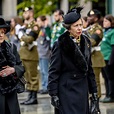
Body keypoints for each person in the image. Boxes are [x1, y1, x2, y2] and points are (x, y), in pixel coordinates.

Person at [48, 7, 99, 114]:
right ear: (68, 28)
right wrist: (53, 93)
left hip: (82, 89)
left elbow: (89, 69)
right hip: (66, 90)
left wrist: (94, 93)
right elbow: (53, 70)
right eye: (76, 26)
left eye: (81, 24)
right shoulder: (61, 43)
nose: (80, 28)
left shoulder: (86, 42)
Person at [0, 18, 25, 114]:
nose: (1, 35)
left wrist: (13, 69)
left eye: (2, 32)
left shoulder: (11, 47)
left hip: (11, 93)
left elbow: (21, 66)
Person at [19, 7, 40, 105]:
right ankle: (30, 97)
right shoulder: (26, 26)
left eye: (26, 12)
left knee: (32, 76)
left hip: (31, 55)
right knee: (27, 76)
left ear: (31, 13)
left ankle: (34, 97)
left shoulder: (34, 25)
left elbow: (30, 39)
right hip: (24, 54)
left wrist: (21, 36)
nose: (24, 14)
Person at [87, 9, 105, 98]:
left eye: (91, 16)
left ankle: (96, 100)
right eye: (89, 16)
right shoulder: (89, 28)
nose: (89, 18)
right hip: (89, 57)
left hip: (95, 57)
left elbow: (93, 42)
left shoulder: (98, 29)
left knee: (95, 80)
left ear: (96, 18)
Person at [100, 14, 114, 103]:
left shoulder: (113, 32)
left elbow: (113, 47)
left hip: (109, 57)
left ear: (111, 22)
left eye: (106, 21)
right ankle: (108, 94)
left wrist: (111, 60)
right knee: (105, 77)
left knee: (111, 78)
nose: (104, 23)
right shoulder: (105, 32)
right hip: (103, 58)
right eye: (103, 21)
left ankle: (111, 96)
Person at [36, 15, 51, 94]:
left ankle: (47, 87)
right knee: (41, 71)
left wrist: (46, 26)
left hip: (45, 53)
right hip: (40, 53)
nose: (37, 22)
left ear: (43, 21)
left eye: (39, 21)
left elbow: (49, 40)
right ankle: (43, 85)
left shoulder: (46, 29)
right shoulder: (40, 30)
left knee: (45, 71)